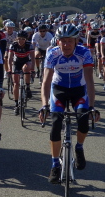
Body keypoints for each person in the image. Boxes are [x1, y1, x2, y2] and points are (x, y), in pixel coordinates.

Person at [38, 24, 97, 183]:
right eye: (62, 41)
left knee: (83, 120)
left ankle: (79, 147)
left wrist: (91, 106)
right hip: (59, 90)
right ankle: (55, 164)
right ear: (57, 42)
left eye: (69, 41)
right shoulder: (52, 54)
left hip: (79, 89)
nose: (66, 44)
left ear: (76, 41)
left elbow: (90, 82)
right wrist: (44, 105)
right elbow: (45, 82)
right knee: (56, 123)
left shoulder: (84, 53)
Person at [6, 29, 35, 112]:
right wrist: (9, 69)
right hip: (16, 62)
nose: (20, 41)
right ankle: (16, 104)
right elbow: (10, 59)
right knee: (16, 83)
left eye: (23, 39)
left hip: (26, 61)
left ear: (25, 39)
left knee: (26, 68)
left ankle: (28, 87)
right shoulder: (13, 45)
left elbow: (32, 58)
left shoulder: (29, 45)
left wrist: (32, 69)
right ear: (16, 39)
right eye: (19, 38)